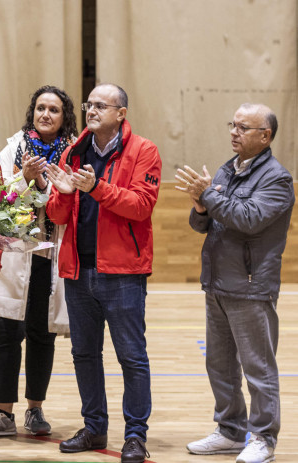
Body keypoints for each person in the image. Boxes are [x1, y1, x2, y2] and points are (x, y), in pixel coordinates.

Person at [45, 83, 161, 463]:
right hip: (79, 269)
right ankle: (94, 427)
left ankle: (135, 435)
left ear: (121, 113)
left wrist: (97, 188)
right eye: (88, 104)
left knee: (132, 357)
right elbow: (58, 216)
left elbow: (140, 206)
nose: (91, 110)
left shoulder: (144, 151)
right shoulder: (74, 152)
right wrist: (62, 193)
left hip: (123, 273)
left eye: (100, 105)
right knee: (84, 354)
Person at [179, 104, 292, 463]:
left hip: (250, 286)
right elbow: (207, 225)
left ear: (265, 136)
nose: (234, 132)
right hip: (217, 284)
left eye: (243, 127)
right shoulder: (229, 170)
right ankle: (230, 431)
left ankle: (263, 438)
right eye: (233, 124)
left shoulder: (277, 179)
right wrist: (200, 207)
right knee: (220, 365)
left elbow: (249, 218)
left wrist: (209, 196)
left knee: (258, 368)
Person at [0, 85, 76, 438]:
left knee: (42, 332)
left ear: (64, 116)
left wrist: (46, 186)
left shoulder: (73, 152)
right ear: (32, 113)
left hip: (52, 255)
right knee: (6, 331)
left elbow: (73, 200)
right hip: (16, 254)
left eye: (54, 109)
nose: (46, 114)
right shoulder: (13, 149)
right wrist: (25, 178)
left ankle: (35, 410)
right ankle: (3, 413)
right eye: (40, 108)